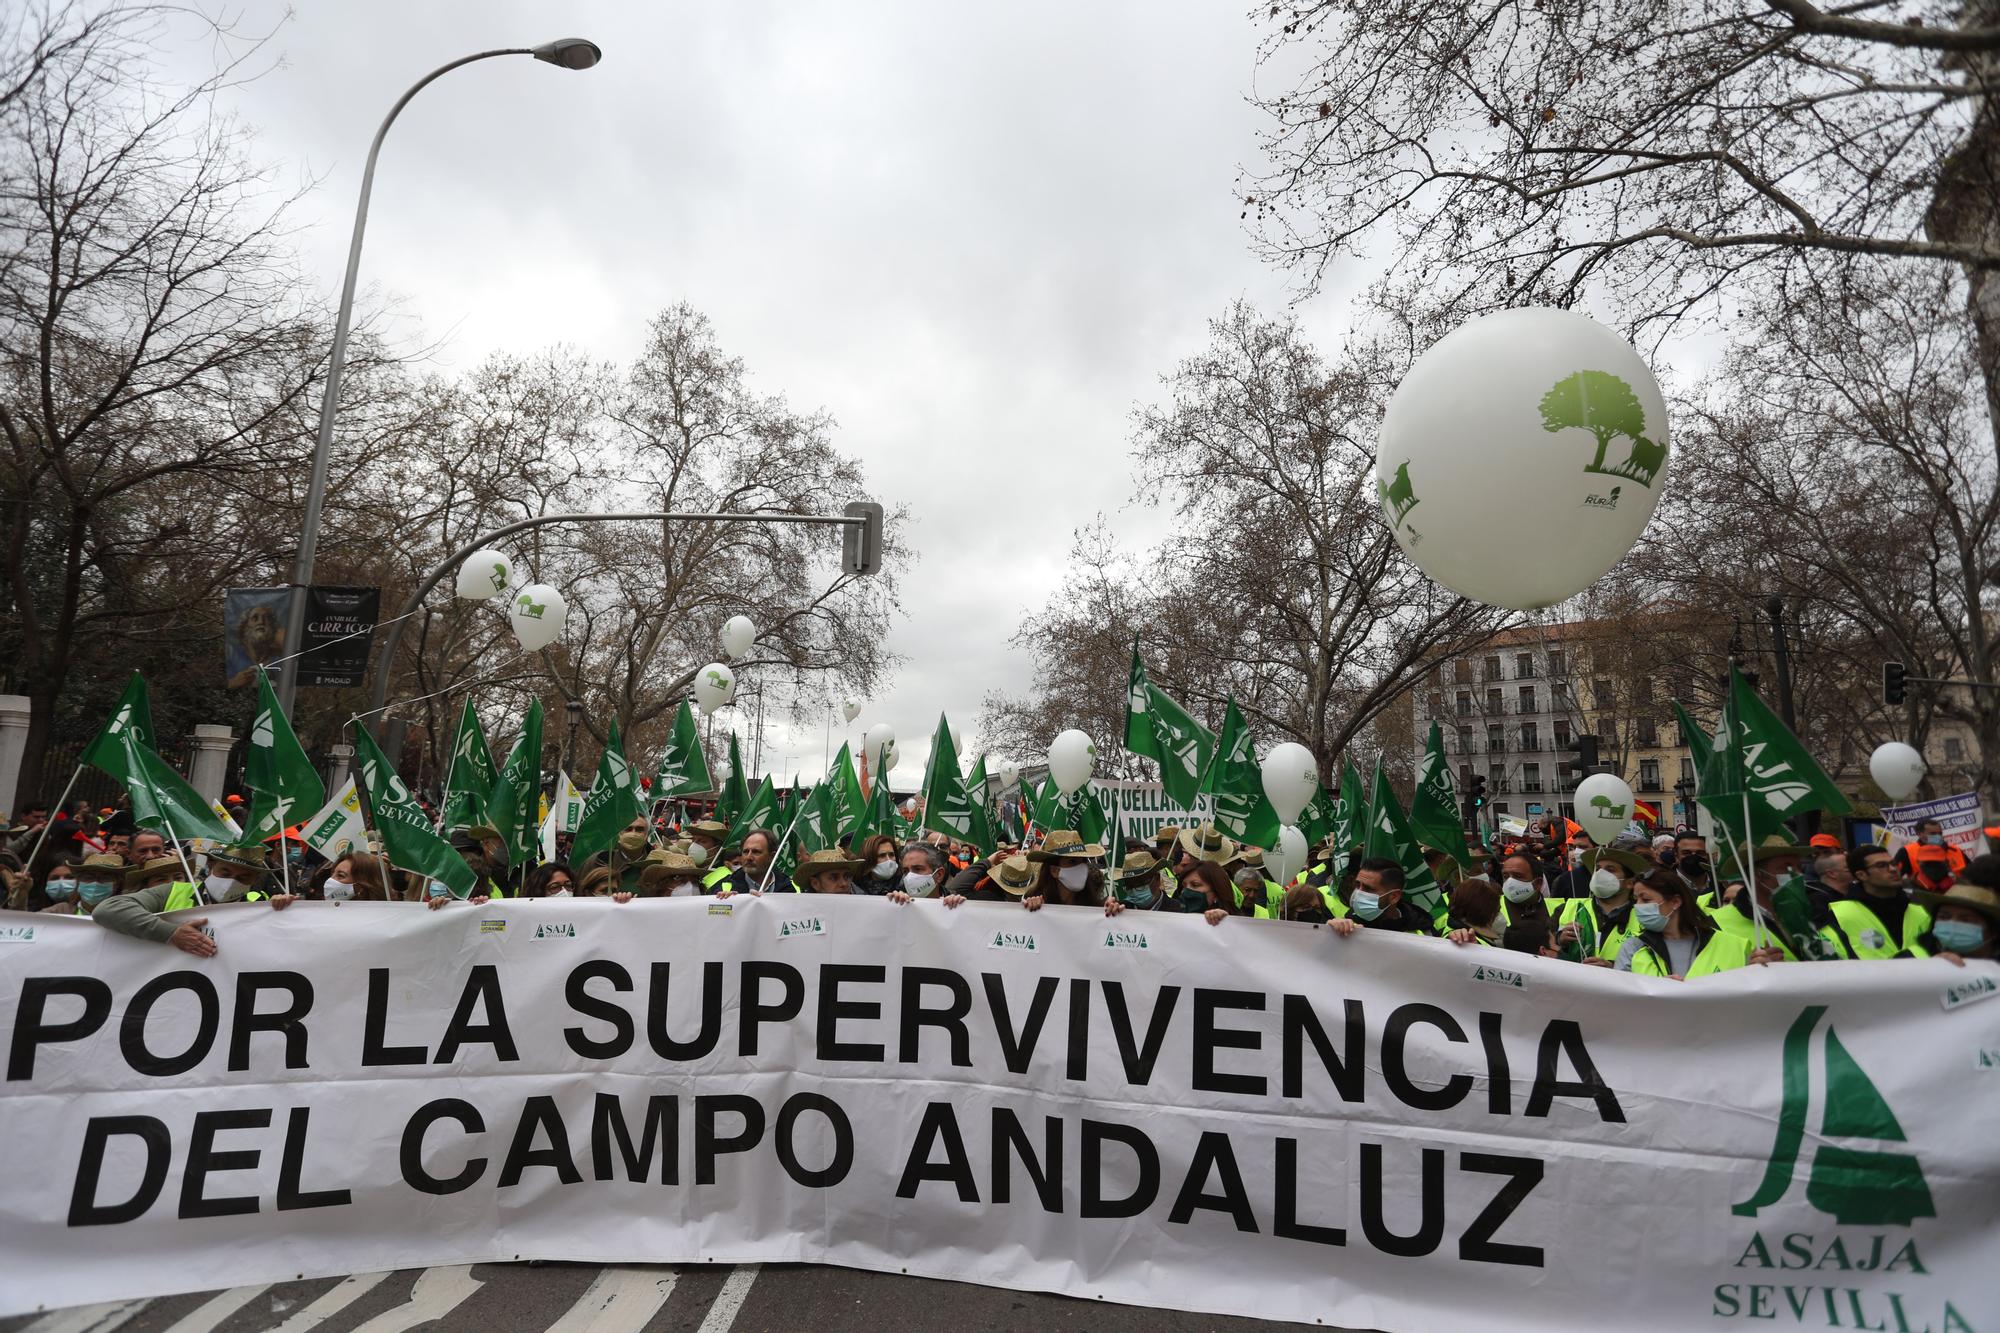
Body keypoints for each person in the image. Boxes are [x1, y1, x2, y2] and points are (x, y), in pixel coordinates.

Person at [1615, 870, 1725, 978]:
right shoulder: (1633, 947)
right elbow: (1619, 992)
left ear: (1675, 902)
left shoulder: (1726, 944)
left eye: (1646, 899)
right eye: (1636, 899)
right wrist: (1658, 988)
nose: (1638, 905)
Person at [1827, 845, 1931, 959]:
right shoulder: (1841, 915)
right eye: (1881, 865)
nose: (1893, 869)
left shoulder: (1920, 911)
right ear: (1861, 875)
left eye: (1894, 863)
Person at [1554, 847, 1646, 966]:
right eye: (1597, 869)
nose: (1600, 874)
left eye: (1610, 869)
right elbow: (1544, 952)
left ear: (1630, 883)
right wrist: (1560, 941)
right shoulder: (1566, 908)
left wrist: (1614, 967)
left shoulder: (1644, 917)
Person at [1915, 857, 2000, 965]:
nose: (1952, 924)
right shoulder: (1911, 958)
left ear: (1993, 931)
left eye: (1966, 920)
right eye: (1944, 917)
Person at [1331, 857, 1438, 936]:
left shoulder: (1423, 931)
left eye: (1368, 889)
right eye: (1357, 885)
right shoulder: (1348, 926)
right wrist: (1329, 932)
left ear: (1394, 896)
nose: (1358, 893)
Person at [1022, 831, 1117, 914]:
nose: (1081, 867)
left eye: (1083, 861)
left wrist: (1113, 914)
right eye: (1072, 861)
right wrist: (1031, 910)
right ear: (1054, 871)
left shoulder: (1095, 907)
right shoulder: (1038, 905)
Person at [1893, 819, 1968, 882]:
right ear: (1919, 834)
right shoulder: (1906, 852)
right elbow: (1894, 877)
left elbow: (1972, 876)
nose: (1938, 836)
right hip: (1925, 895)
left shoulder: (1955, 850)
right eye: (1933, 833)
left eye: (1940, 833)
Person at [1446, 878, 1504, 946]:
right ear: (1484, 910)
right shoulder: (1467, 941)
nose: (1498, 915)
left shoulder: (1454, 928)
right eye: (1496, 911)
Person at [794, 849, 865, 894]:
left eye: (847, 876)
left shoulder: (865, 909)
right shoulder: (802, 915)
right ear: (815, 884)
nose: (844, 883)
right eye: (834, 878)